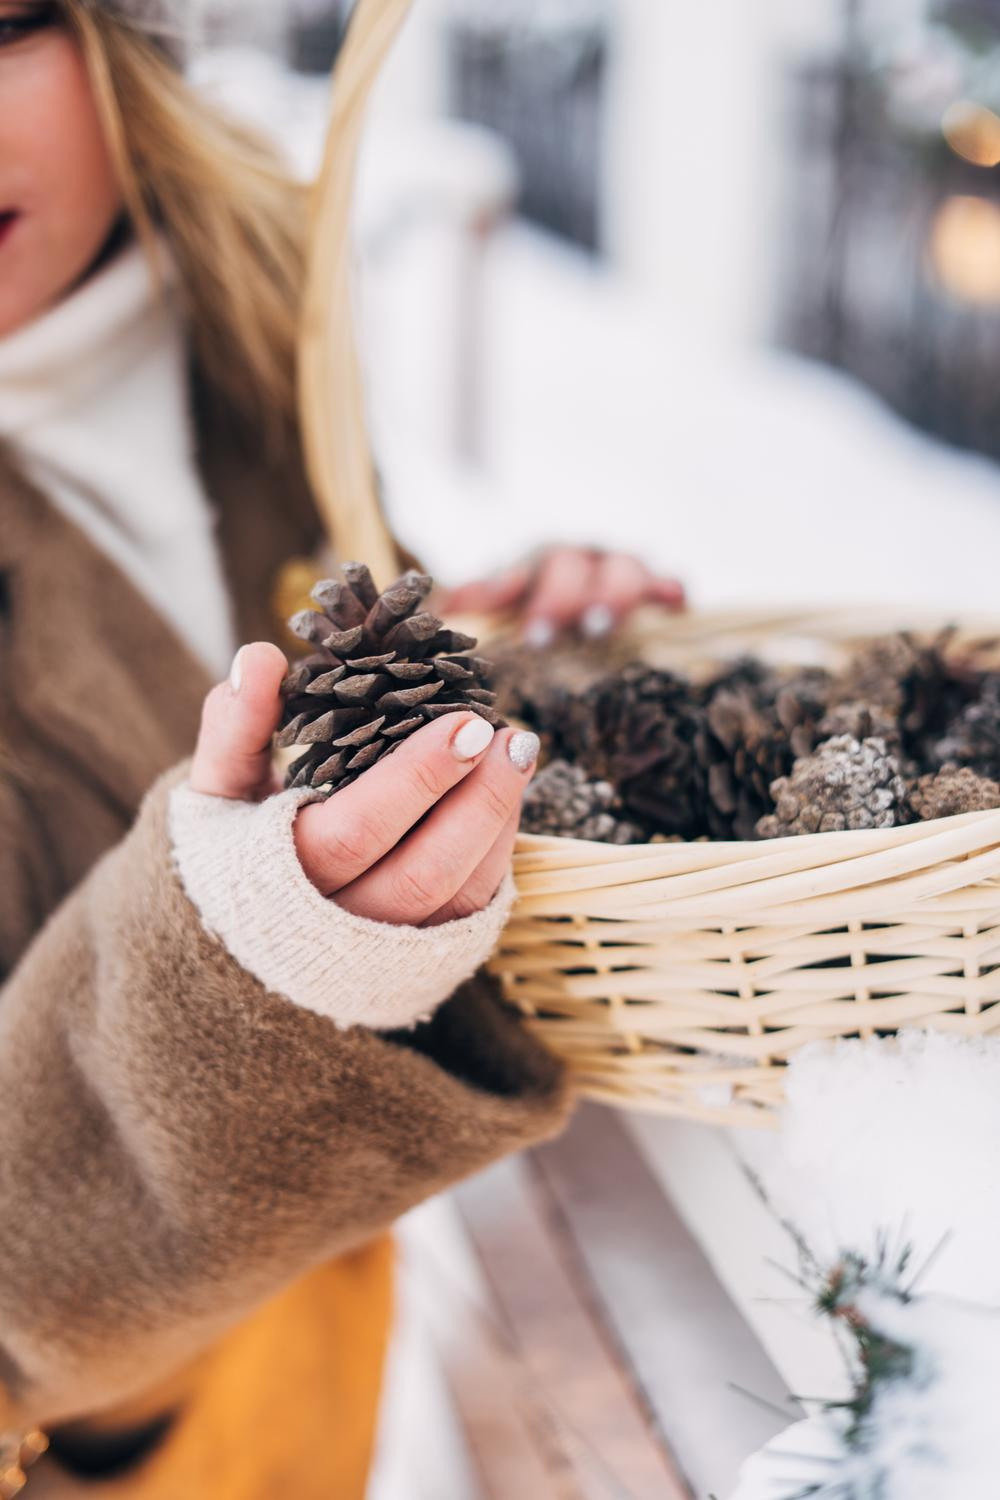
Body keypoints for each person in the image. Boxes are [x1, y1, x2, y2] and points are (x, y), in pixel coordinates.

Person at [0, 2, 685, 1495]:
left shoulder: (248, 335)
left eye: (5, 24)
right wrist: (235, 956)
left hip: (312, 1410)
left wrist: (448, 665)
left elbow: (270, 648)